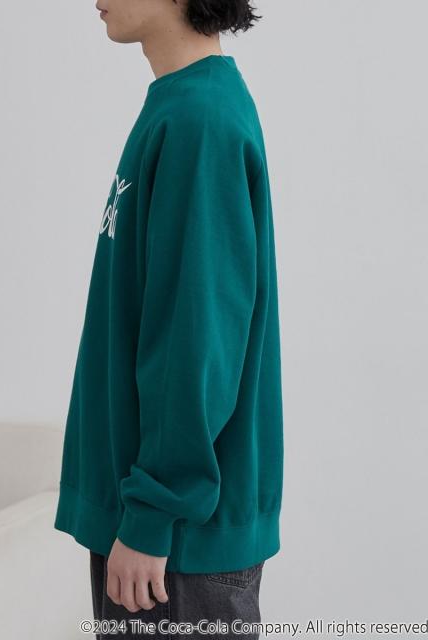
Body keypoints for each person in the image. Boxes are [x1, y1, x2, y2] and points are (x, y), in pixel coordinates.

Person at [54, 1, 284, 637]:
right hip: (156, 526)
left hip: (175, 543)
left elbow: (198, 337)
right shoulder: (178, 106)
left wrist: (156, 510)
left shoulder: (200, 121)